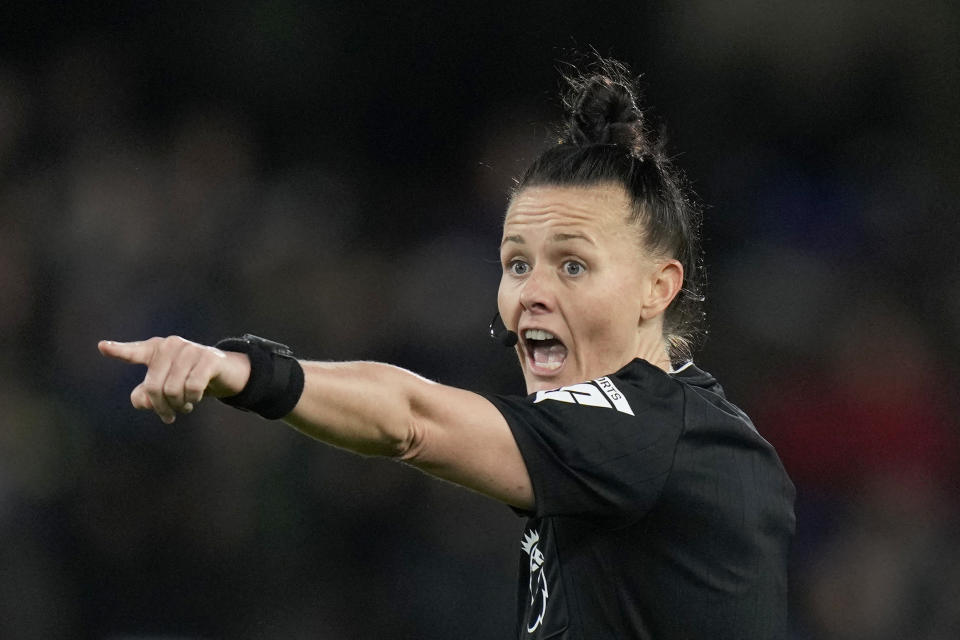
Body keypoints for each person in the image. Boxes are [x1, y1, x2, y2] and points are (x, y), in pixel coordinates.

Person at [100, 57, 795, 639]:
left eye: (573, 265)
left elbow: (412, 420)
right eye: (517, 264)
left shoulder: (645, 432)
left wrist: (247, 371)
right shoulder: (668, 436)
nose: (530, 292)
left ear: (657, 288)